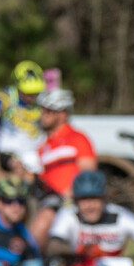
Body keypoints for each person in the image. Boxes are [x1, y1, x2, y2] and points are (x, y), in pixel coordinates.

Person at [29, 89, 96, 246]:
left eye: (48, 111)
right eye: (42, 110)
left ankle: (28, 262)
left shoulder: (77, 138)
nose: (42, 114)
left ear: (62, 113)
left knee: (43, 220)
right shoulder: (42, 145)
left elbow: (88, 174)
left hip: (69, 200)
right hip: (43, 197)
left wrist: (71, 193)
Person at [0, 61, 48, 150]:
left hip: (35, 150)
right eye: (28, 92)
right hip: (10, 151)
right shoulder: (6, 98)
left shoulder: (43, 99)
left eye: (35, 92)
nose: (31, 96)